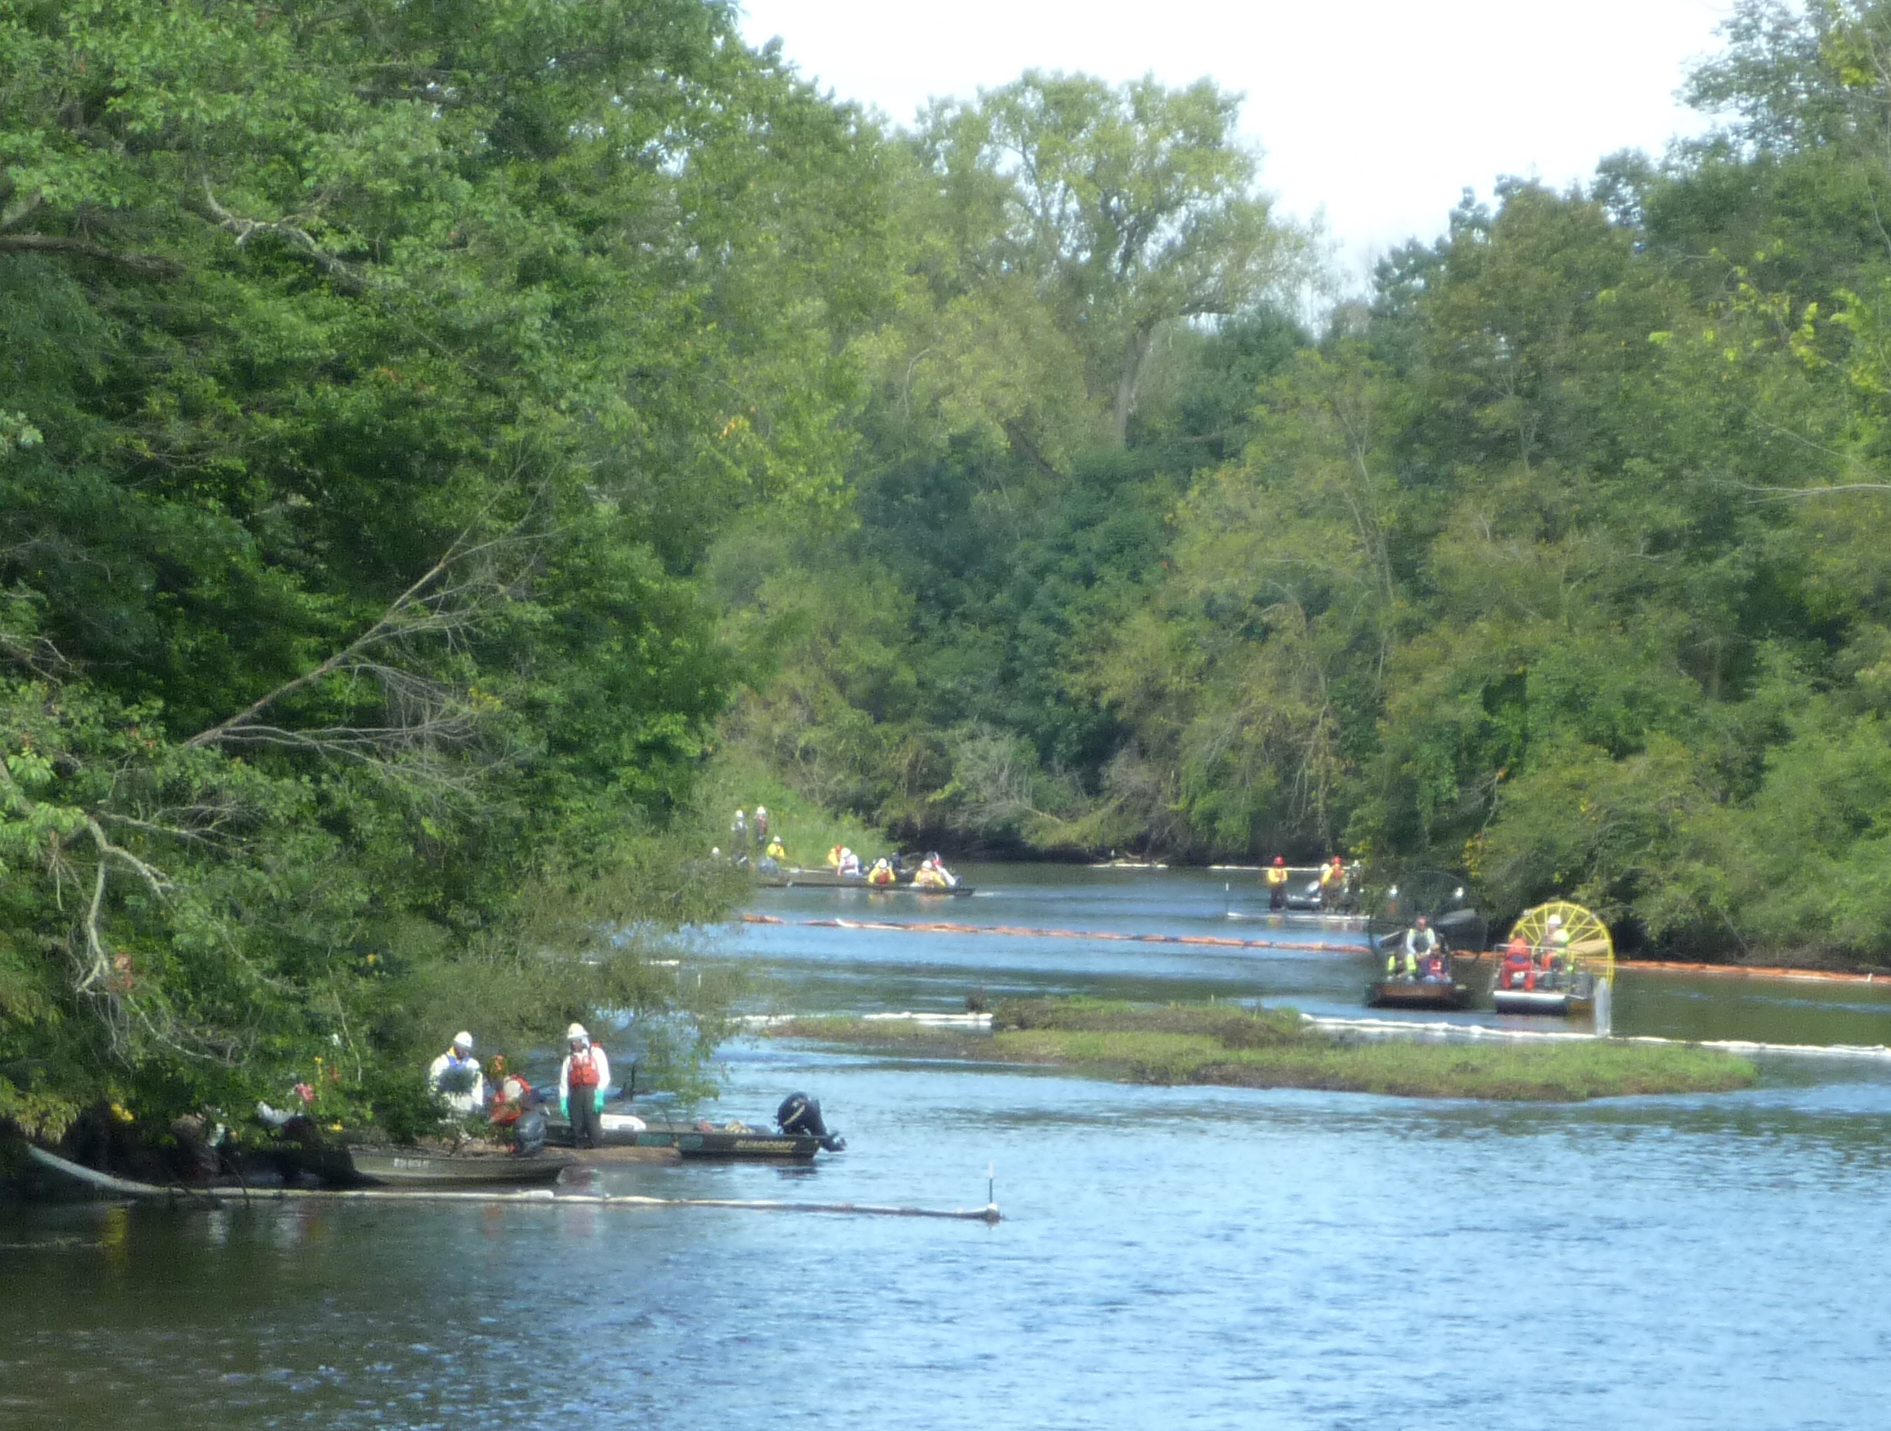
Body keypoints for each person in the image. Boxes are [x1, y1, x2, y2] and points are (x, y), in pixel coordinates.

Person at [559, 1023, 611, 1150]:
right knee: (577, 1127)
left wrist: (599, 1095)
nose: (573, 1044)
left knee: (593, 1126)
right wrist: (563, 1100)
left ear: (582, 1040)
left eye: (575, 1041)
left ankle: (596, 1151)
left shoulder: (596, 1053)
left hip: (592, 1093)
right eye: (571, 1041)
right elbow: (564, 1082)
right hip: (576, 1094)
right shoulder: (568, 1059)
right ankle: (579, 1151)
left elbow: (605, 1075)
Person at [427, 1032, 485, 1116]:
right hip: (446, 1101)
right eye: (460, 1047)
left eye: (465, 1048)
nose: (463, 1050)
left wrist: (478, 1104)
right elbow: (433, 1082)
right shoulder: (442, 1061)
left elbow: (477, 1086)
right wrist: (433, 1100)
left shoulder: (473, 1064)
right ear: (455, 1045)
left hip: (466, 1104)